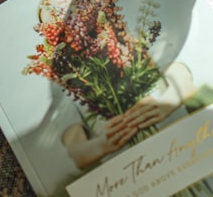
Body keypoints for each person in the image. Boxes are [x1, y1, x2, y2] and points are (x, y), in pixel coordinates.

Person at [61, 62, 196, 169]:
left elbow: (181, 75)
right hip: (131, 174)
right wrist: (103, 145)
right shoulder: (72, 96)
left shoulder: (137, 53)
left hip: (183, 152)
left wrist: (170, 100)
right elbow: (76, 153)